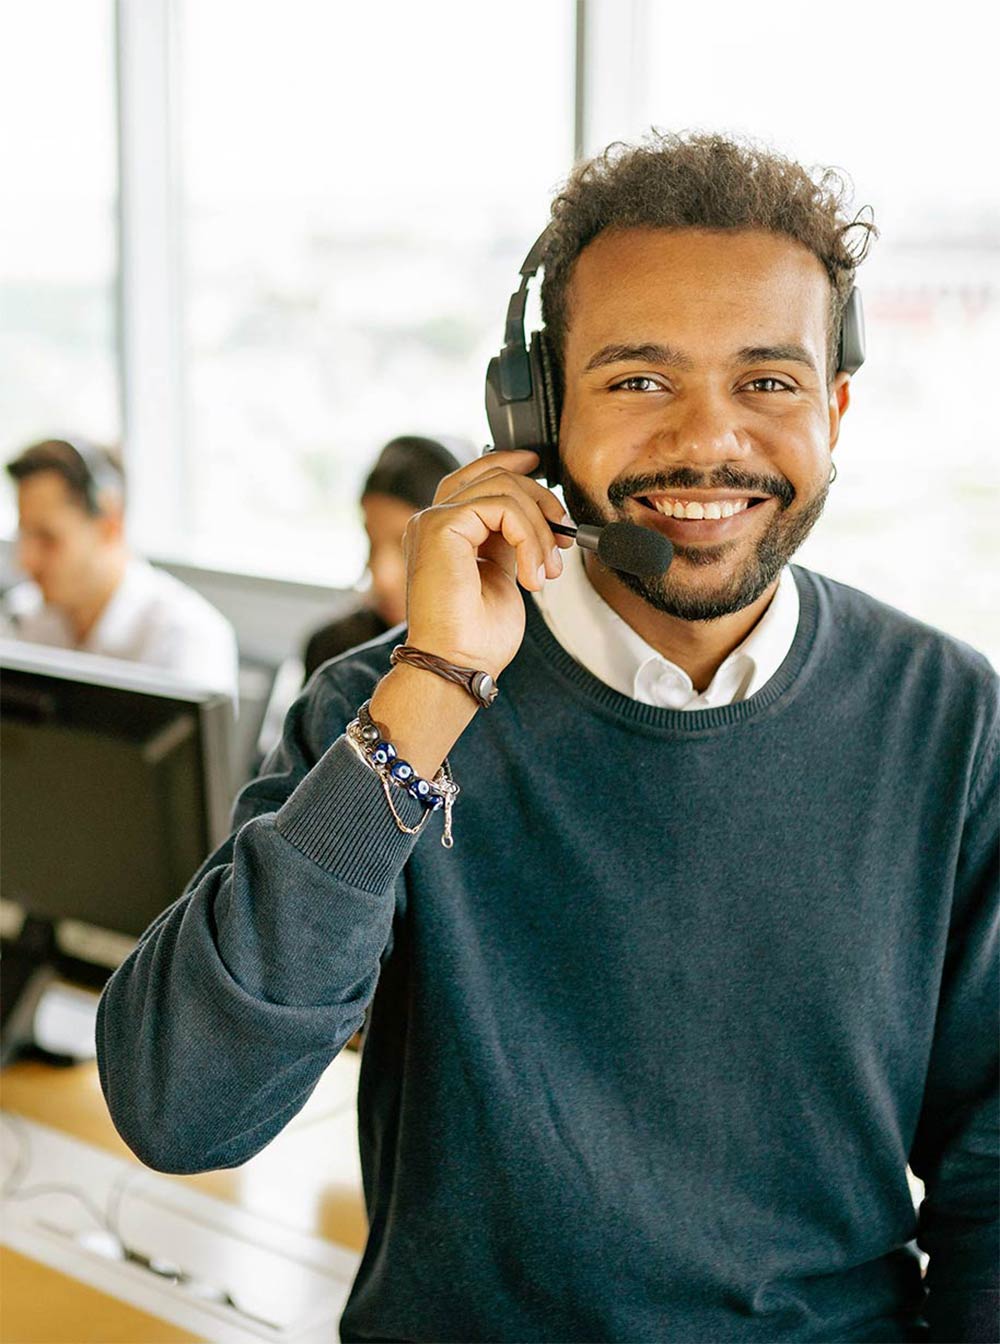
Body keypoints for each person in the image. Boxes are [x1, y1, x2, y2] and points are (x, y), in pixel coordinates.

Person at [96, 133, 998, 1344]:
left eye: (768, 383)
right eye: (638, 380)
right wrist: (435, 688)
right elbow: (180, 1107)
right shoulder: (383, 713)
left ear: (832, 409)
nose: (710, 440)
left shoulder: (948, 717)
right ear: (533, 413)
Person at [3, 437, 239, 700]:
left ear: (109, 524)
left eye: (48, 539)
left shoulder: (187, 639)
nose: (25, 561)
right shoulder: (22, 617)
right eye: (24, 537)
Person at [302, 434, 467, 679]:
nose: (382, 577)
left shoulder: (495, 656)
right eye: (371, 542)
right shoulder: (333, 649)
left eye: (406, 548)